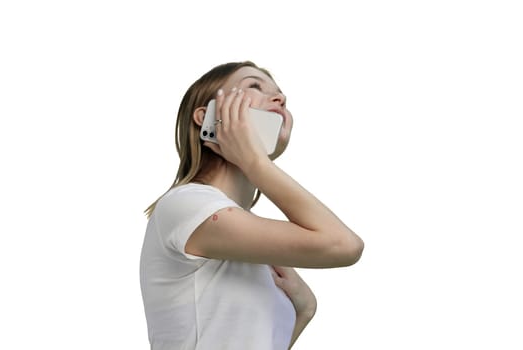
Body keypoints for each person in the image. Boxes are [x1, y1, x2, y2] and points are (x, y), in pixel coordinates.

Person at [139, 61, 364, 349]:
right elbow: (343, 245)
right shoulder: (186, 204)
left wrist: (303, 311)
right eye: (254, 86)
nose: (280, 99)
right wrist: (254, 160)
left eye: (281, 94)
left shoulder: (249, 238)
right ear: (205, 116)